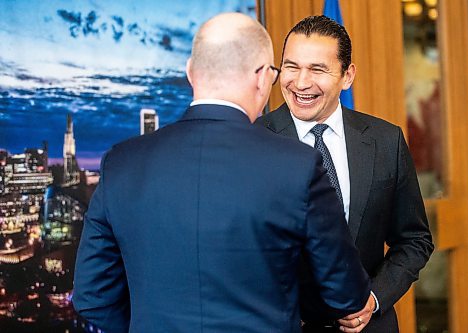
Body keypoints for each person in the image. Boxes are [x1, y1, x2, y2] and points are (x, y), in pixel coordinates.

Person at [72, 13, 371, 333]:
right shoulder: (298, 164)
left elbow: (91, 296)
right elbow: (347, 295)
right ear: (261, 77)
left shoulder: (122, 162)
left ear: (190, 73)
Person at [256, 15, 434, 333]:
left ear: (347, 75)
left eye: (318, 69)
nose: (300, 82)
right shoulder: (253, 139)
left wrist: (375, 298)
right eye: (291, 66)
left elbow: (414, 239)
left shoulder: (385, 139)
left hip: (370, 327)